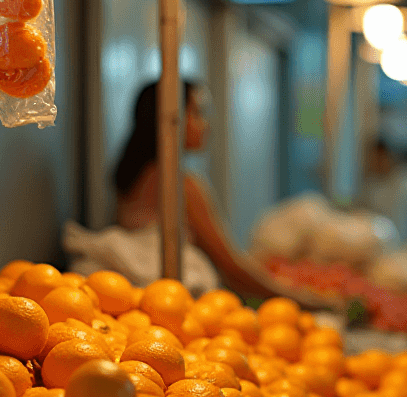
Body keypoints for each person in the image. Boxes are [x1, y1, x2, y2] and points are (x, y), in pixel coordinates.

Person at [114, 80, 294, 301]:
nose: (206, 124)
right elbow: (231, 269)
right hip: (171, 304)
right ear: (172, 119)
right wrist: (302, 298)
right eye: (198, 113)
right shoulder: (180, 186)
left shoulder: (134, 176)